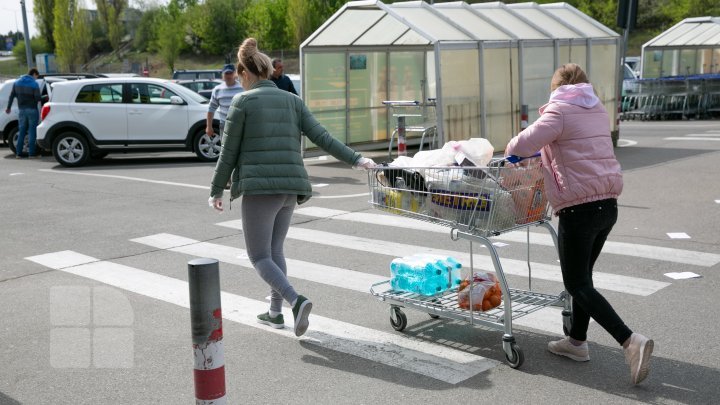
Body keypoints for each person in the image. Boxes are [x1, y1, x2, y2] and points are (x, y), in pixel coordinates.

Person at [208, 38, 375, 337]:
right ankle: (274, 312)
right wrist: (358, 159)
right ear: (270, 71)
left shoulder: (242, 102)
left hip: (261, 190)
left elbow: (227, 152)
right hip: (291, 189)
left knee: (259, 256)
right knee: (274, 250)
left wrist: (215, 190)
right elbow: (322, 137)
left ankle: (295, 301)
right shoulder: (292, 101)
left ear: (245, 74)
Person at [505, 63, 653, 385]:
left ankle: (630, 341)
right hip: (608, 205)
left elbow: (522, 144)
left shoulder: (558, 112)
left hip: (579, 208)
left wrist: (510, 151)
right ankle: (576, 343)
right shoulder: (597, 109)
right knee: (583, 279)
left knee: (576, 284)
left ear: (556, 86)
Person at [6, 68, 41, 159]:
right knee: (32, 132)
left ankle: (18, 154)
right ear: (34, 74)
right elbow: (37, 98)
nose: (36, 78)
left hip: (21, 110)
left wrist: (9, 107)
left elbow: (11, 96)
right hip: (32, 110)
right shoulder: (34, 84)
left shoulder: (17, 82)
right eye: (36, 76)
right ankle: (31, 154)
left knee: (21, 131)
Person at [206, 63, 244, 140]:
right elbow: (211, 109)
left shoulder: (242, 88)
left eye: (230, 73)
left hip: (241, 124)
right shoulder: (217, 90)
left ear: (235, 73)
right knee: (225, 149)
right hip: (224, 125)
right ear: (223, 75)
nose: (228, 76)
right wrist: (209, 127)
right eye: (226, 73)